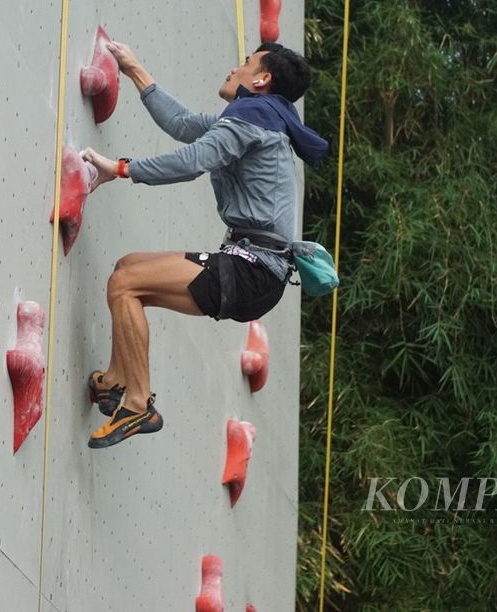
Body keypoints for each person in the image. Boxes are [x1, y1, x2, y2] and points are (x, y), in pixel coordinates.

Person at [80, 41, 328, 449]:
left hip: (251, 269)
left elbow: (194, 160)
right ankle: (113, 383)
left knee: (127, 285)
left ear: (262, 80)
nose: (234, 68)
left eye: (246, 64)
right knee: (126, 268)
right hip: (255, 267)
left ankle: (138, 402)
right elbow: (183, 124)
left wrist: (122, 169)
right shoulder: (260, 118)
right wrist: (134, 68)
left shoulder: (253, 117)